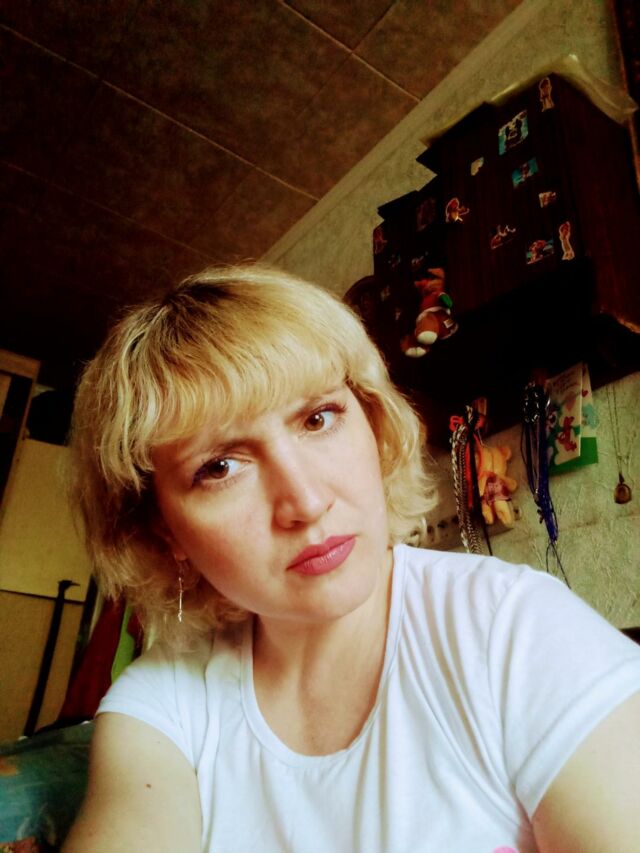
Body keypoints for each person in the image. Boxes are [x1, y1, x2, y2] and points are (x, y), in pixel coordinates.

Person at [63, 265, 640, 853]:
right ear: (165, 531)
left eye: (318, 419)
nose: (307, 502)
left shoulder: (514, 628)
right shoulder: (163, 707)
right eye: (220, 467)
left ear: (373, 421)